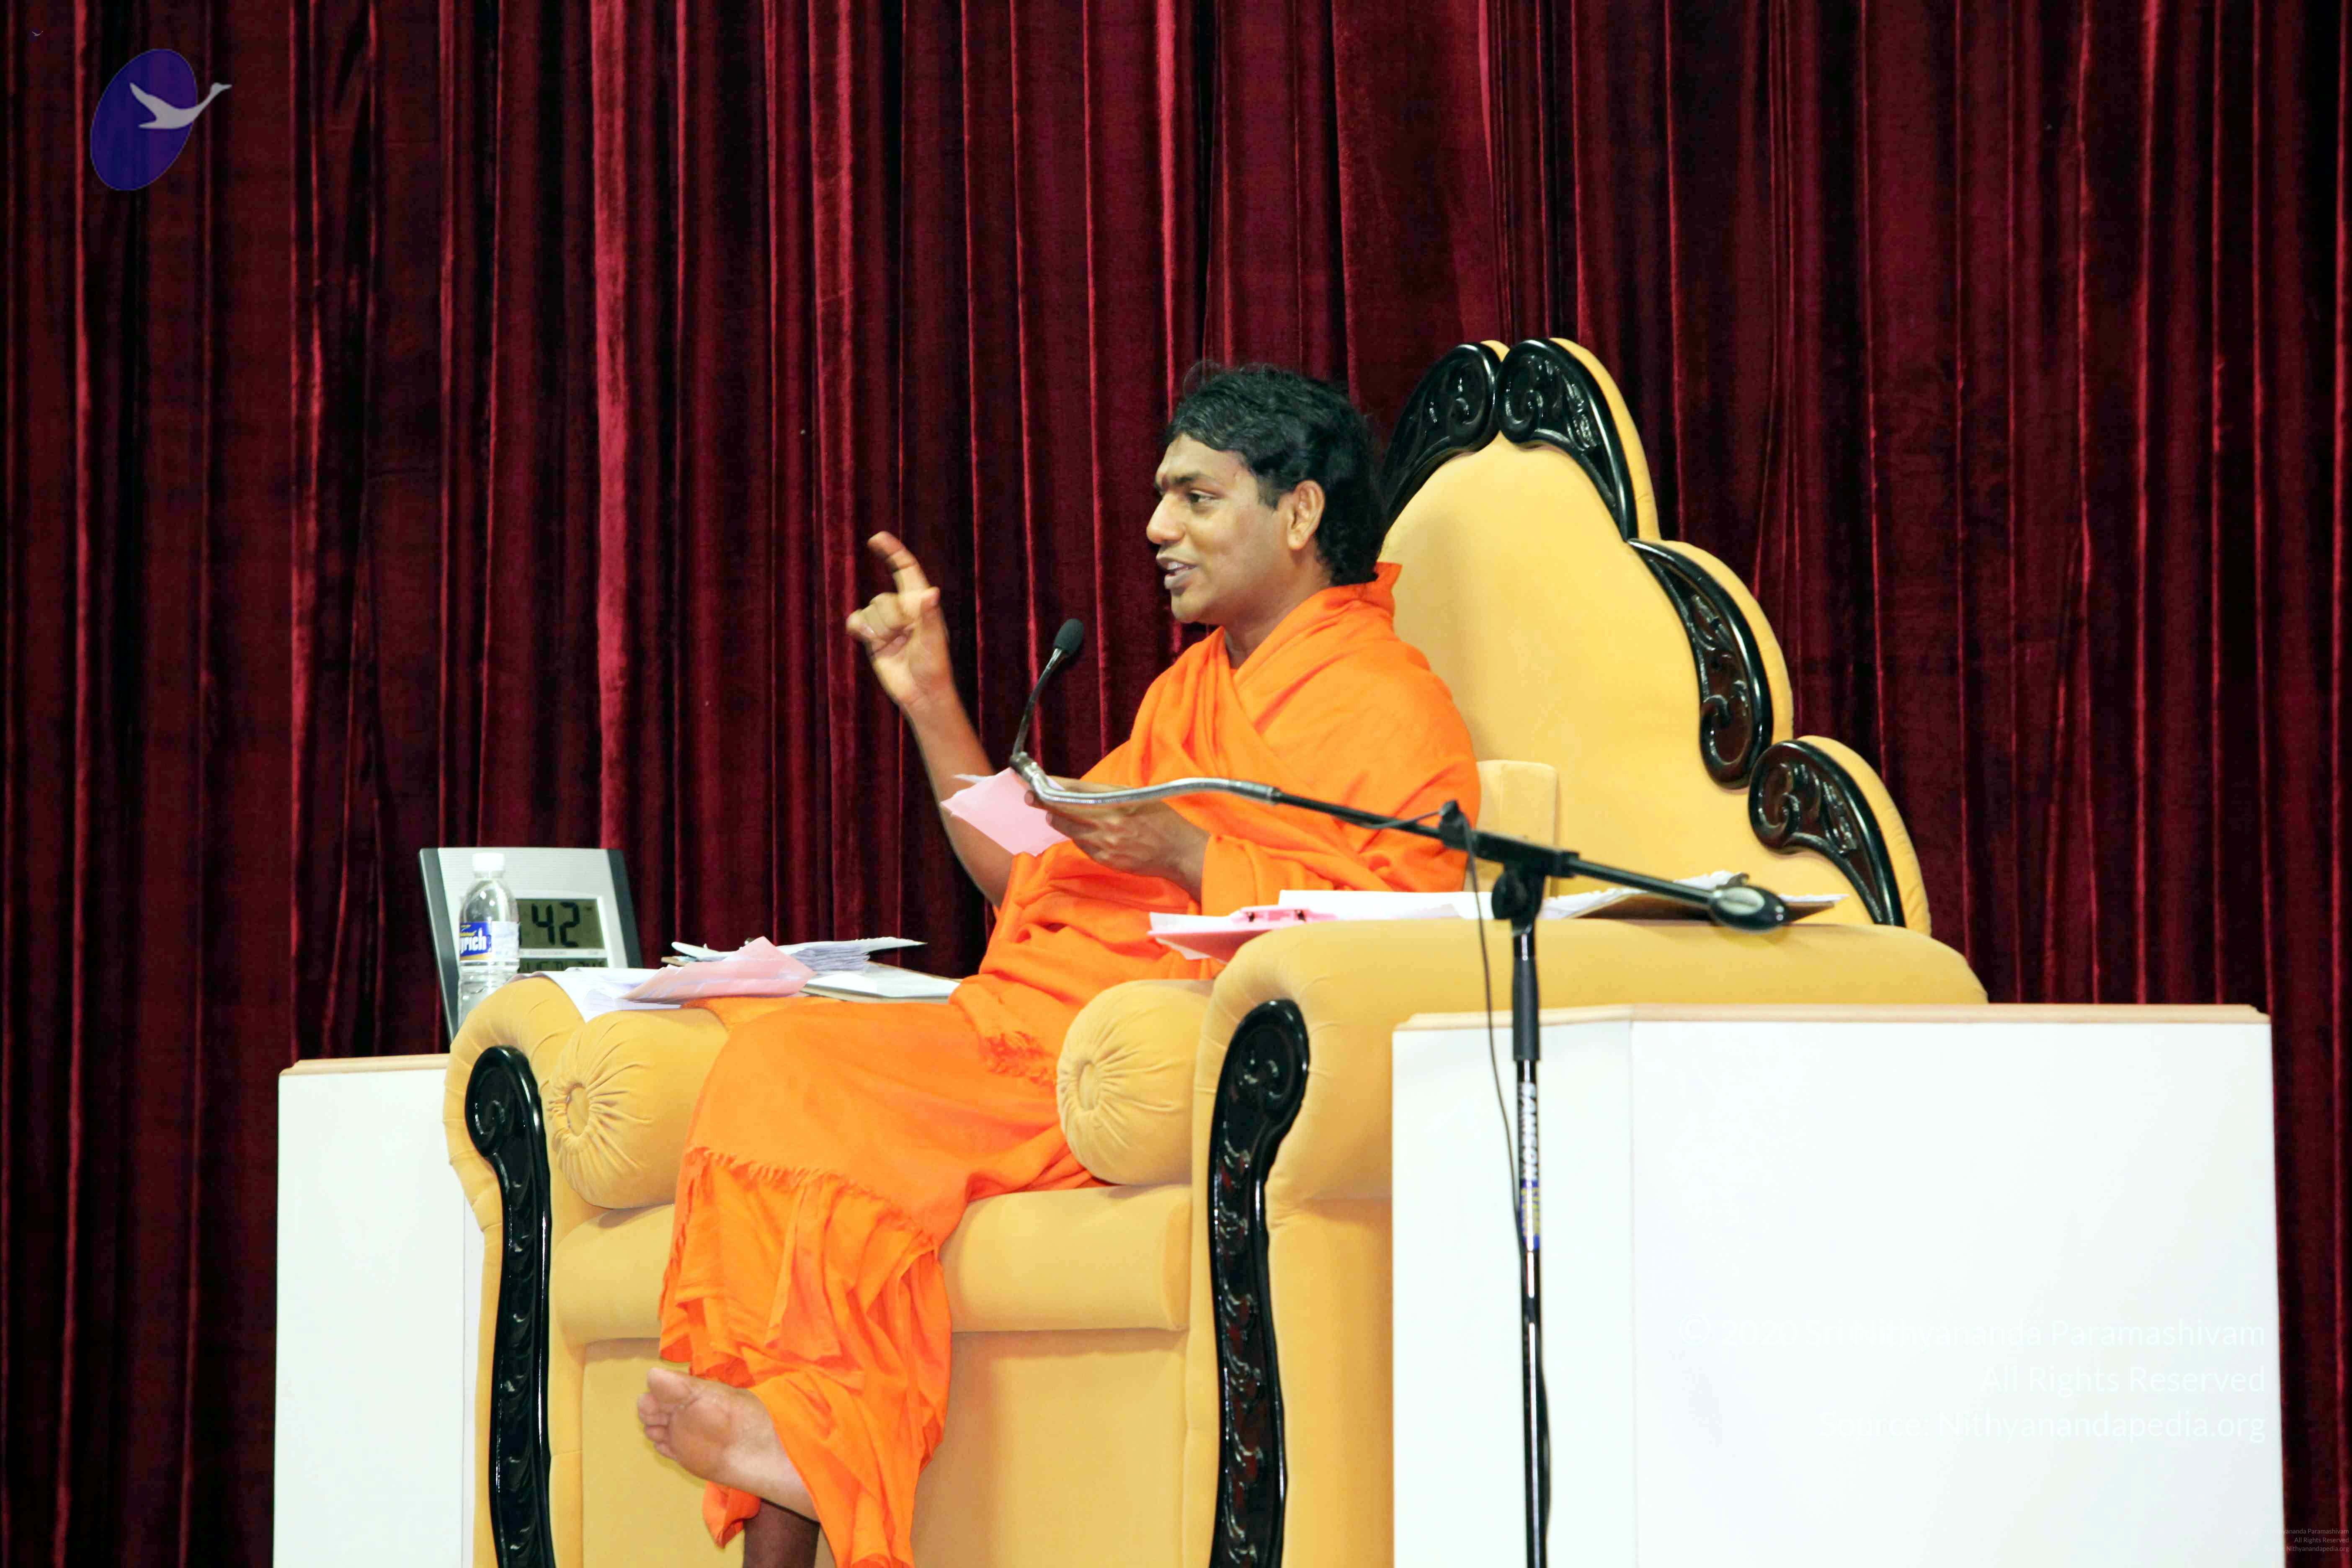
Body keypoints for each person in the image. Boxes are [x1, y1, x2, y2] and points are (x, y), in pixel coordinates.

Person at [636, 365, 1481, 1568]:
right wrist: (931, 697)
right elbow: (1031, 875)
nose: (1157, 528)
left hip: (1100, 1056)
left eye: (1196, 498)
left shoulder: (1388, 705)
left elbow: (1414, 930)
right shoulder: (1194, 689)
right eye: (1161, 497)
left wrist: (1192, 854)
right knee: (778, 1057)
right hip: (1016, 1020)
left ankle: (815, 1455)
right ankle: (807, 1448)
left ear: (1299, 513)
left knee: (801, 1075)